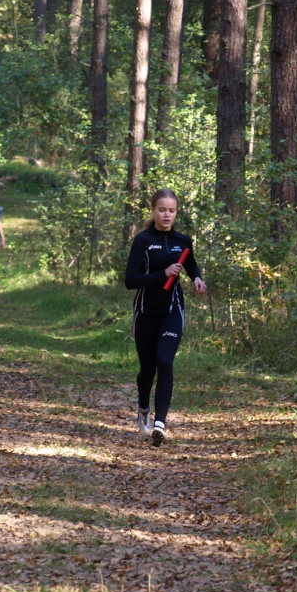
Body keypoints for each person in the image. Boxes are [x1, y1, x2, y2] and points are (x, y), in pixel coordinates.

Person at [124, 189, 207, 446]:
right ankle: (143, 405)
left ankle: (160, 423)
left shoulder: (184, 239)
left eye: (171, 210)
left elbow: (190, 262)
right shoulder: (143, 240)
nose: (167, 215)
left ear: (176, 212)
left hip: (172, 310)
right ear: (153, 210)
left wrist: (197, 277)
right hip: (146, 312)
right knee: (147, 370)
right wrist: (163, 273)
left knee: (165, 361)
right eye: (162, 210)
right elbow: (130, 281)